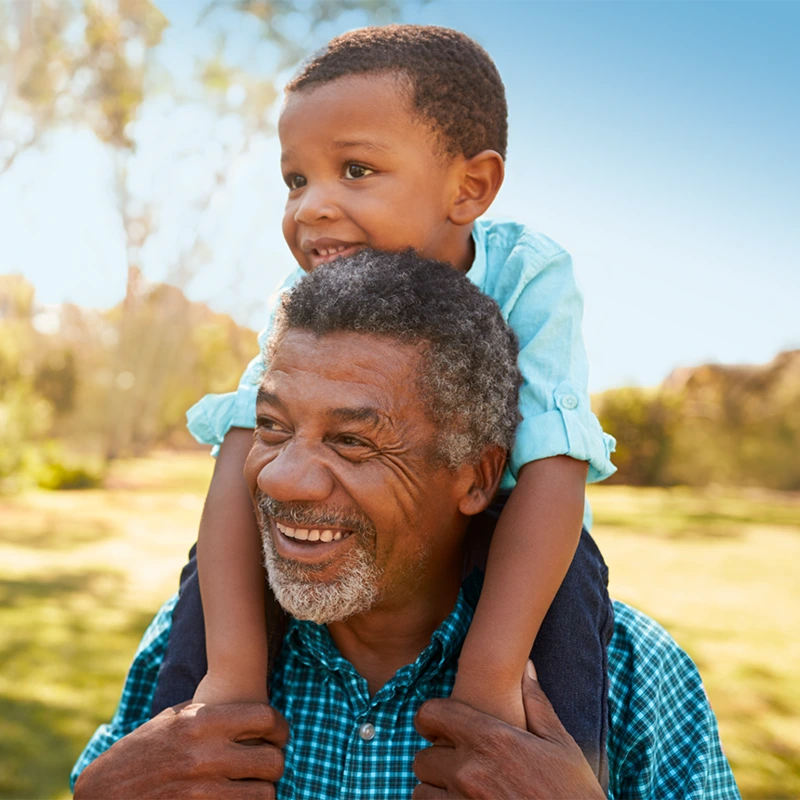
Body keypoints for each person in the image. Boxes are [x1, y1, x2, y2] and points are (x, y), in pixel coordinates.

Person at [71, 253, 740, 799]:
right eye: (271, 427)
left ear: (476, 477)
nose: (279, 478)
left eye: (353, 442)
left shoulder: (630, 674)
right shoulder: (192, 644)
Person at [156, 24, 618, 781]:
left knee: (570, 608)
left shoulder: (526, 274)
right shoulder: (299, 302)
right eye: (295, 180)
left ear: (469, 187)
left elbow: (555, 465)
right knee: (207, 581)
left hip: (514, 530)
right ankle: (178, 765)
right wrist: (230, 675)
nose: (311, 208)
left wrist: (490, 677)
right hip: (354, 544)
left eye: (356, 170)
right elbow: (242, 450)